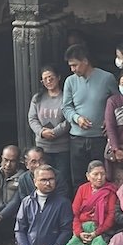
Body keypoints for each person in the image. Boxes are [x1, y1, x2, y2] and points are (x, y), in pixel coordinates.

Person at [62, 44, 117, 191]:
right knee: (78, 179)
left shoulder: (107, 78)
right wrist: (77, 118)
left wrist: (109, 120)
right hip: (77, 137)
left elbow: (118, 103)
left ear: (85, 61)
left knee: (101, 176)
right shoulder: (70, 81)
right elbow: (66, 107)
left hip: (99, 137)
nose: (72, 69)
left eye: (75, 65)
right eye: (70, 66)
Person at [14, 164, 73, 245]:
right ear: (35, 182)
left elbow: (66, 231)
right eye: (43, 180)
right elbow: (19, 230)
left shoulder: (63, 203)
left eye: (51, 179)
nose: (48, 183)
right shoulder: (27, 202)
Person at [65, 160, 118, 245]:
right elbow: (74, 213)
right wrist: (79, 232)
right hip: (82, 229)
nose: (99, 178)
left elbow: (111, 216)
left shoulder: (111, 191)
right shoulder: (82, 189)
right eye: (95, 174)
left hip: (100, 230)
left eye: (102, 174)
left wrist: (96, 233)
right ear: (88, 176)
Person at [27, 64, 71, 193]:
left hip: (62, 148)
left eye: (51, 77)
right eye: (45, 79)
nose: (48, 81)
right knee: (42, 180)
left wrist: (55, 132)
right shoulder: (37, 98)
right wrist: (41, 132)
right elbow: (32, 119)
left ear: (58, 77)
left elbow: (69, 119)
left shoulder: (66, 97)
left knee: (61, 180)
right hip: (42, 148)